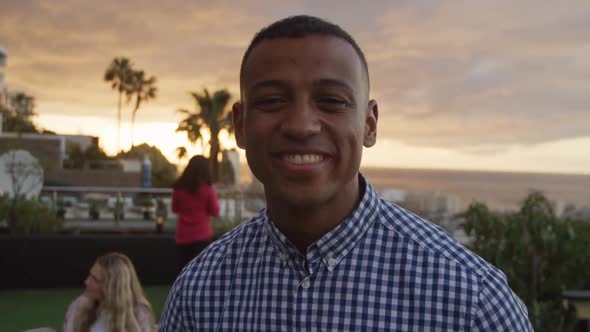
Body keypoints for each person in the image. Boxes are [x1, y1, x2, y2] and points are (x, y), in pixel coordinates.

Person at [160, 15, 533, 331]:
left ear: (369, 125)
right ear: (240, 126)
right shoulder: (198, 294)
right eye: (273, 101)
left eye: (332, 101)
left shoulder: (472, 303)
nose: (302, 125)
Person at [63, 252, 155, 332]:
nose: (87, 281)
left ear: (111, 288)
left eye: (95, 279)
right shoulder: (79, 307)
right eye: (90, 275)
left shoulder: (139, 314)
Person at [171, 155, 219, 272]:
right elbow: (215, 212)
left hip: (182, 237)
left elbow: (174, 209)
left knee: (182, 274)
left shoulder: (179, 188)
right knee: (201, 275)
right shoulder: (208, 190)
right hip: (202, 238)